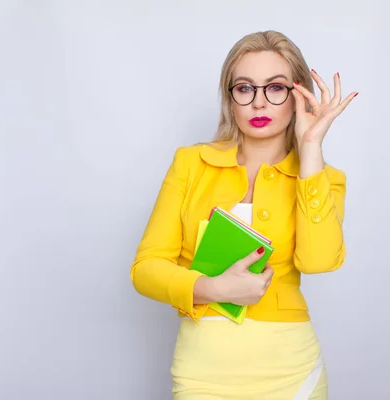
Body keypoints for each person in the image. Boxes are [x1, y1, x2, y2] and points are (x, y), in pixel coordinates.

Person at [130, 30, 358, 399]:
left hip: (292, 373)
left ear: (298, 96)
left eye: (276, 88)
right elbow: (145, 269)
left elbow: (317, 262)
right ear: (230, 97)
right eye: (245, 88)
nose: (259, 103)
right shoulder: (190, 164)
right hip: (203, 375)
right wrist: (213, 288)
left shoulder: (322, 179)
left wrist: (310, 147)